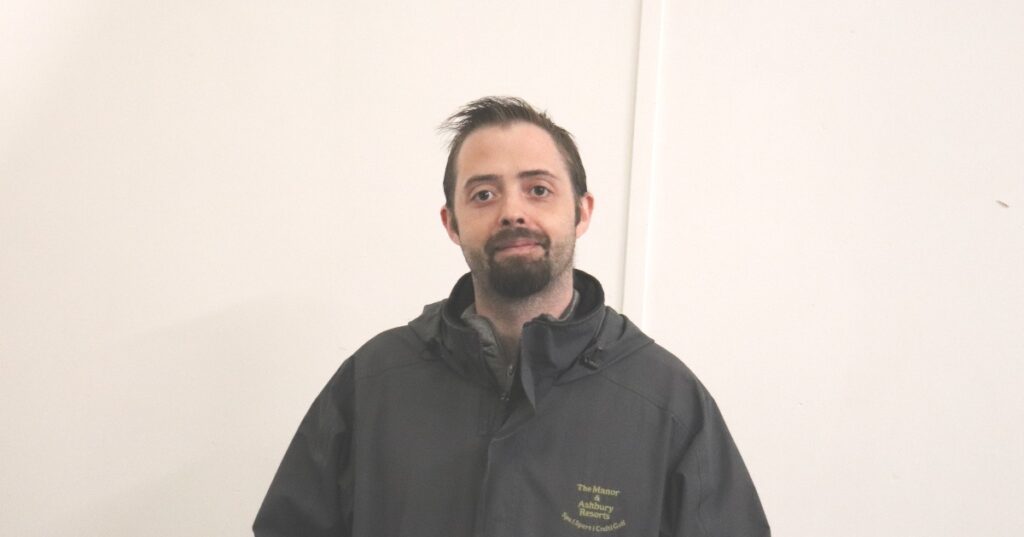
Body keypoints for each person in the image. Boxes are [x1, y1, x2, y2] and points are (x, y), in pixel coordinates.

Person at [253, 97, 770, 536]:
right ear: (451, 224)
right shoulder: (372, 384)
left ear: (582, 211)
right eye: (483, 194)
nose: (512, 212)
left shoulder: (667, 402)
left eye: (538, 189)